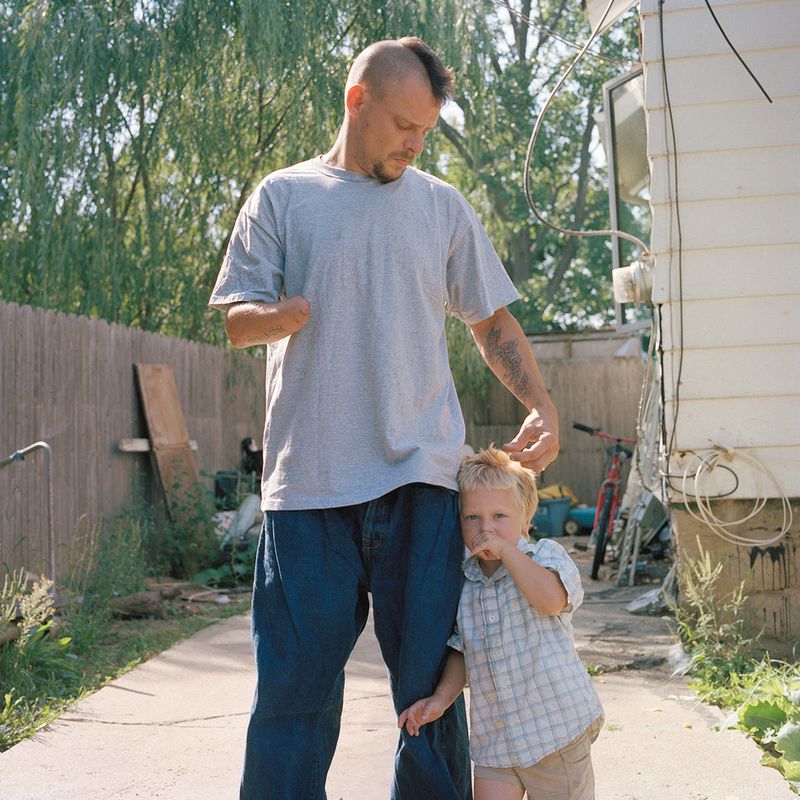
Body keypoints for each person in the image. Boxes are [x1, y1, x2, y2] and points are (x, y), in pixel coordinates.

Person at [209, 36, 559, 800]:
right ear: (356, 99)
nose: (414, 141)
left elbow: (488, 319)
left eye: (426, 129)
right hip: (309, 489)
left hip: (423, 483)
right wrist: (282, 314)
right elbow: (235, 321)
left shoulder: (440, 205)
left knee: (429, 699)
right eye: (403, 122)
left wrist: (540, 404)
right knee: (292, 702)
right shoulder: (283, 195)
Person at [398, 447, 604, 800]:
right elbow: (464, 651)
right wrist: (442, 699)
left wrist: (509, 553)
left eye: (499, 516)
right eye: (472, 517)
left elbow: (552, 600)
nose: (485, 528)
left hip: (555, 731)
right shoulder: (464, 581)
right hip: (497, 741)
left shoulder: (545, 555)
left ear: (525, 520)